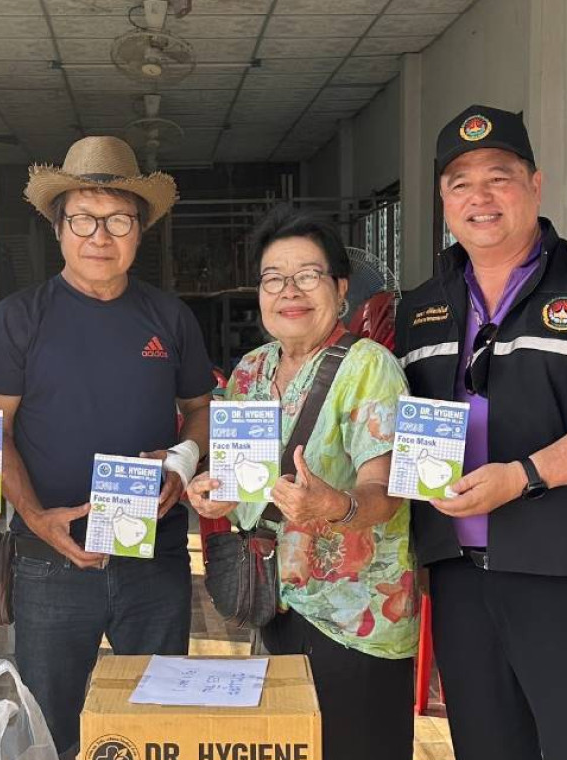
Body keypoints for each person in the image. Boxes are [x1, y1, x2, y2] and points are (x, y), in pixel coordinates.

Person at [394, 105, 567, 760]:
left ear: (536, 184)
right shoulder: (421, 307)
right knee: (486, 744)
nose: (480, 197)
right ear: (444, 200)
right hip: (459, 572)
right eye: (461, 183)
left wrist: (522, 477)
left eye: (500, 177)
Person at [0, 136, 213, 757]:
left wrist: (182, 462)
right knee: (49, 727)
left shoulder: (170, 317)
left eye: (118, 220)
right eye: (83, 218)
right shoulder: (19, 318)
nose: (100, 236)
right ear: (58, 228)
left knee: (157, 728)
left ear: (140, 230)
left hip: (154, 557)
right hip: (48, 563)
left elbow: (200, 410)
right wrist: (34, 517)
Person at [187, 205, 416, 760]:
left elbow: (387, 491)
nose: (290, 291)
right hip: (276, 602)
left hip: (354, 617)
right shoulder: (251, 370)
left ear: (341, 289)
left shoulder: (369, 367)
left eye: (308, 275)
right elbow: (243, 483)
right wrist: (215, 494)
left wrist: (333, 505)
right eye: (274, 278)